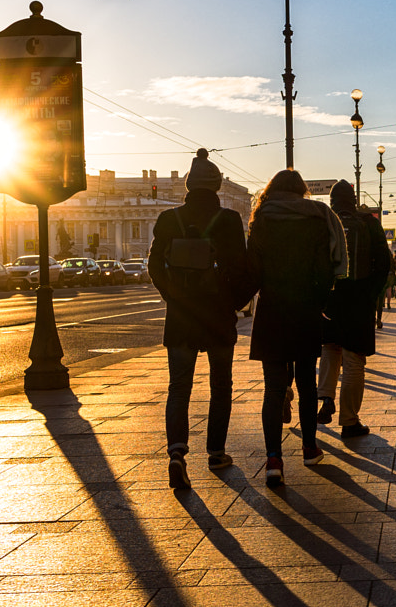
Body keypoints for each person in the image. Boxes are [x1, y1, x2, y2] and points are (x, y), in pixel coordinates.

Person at [148, 150, 254, 491]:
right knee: (220, 386)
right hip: (217, 317)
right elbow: (240, 269)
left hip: (180, 317)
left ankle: (177, 453)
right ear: (218, 186)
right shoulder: (228, 220)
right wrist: (232, 305)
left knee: (179, 387)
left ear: (188, 186)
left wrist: (173, 297)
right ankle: (216, 452)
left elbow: (153, 266)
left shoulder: (168, 219)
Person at [246, 170, 345, 485]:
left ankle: (273, 459)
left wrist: (237, 300)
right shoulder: (317, 219)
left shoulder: (262, 220)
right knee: (305, 383)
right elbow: (325, 269)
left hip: (272, 309)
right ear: (302, 191)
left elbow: (253, 269)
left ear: (271, 191)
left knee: (274, 388)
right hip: (305, 309)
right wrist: (317, 302)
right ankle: (309, 448)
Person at [320, 180, 393, 439]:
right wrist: (370, 295)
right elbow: (384, 263)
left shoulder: (324, 223)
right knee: (353, 361)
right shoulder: (369, 223)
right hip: (359, 299)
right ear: (353, 199)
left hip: (331, 299)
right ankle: (349, 420)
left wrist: (322, 296)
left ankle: (325, 398)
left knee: (330, 348)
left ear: (332, 202)